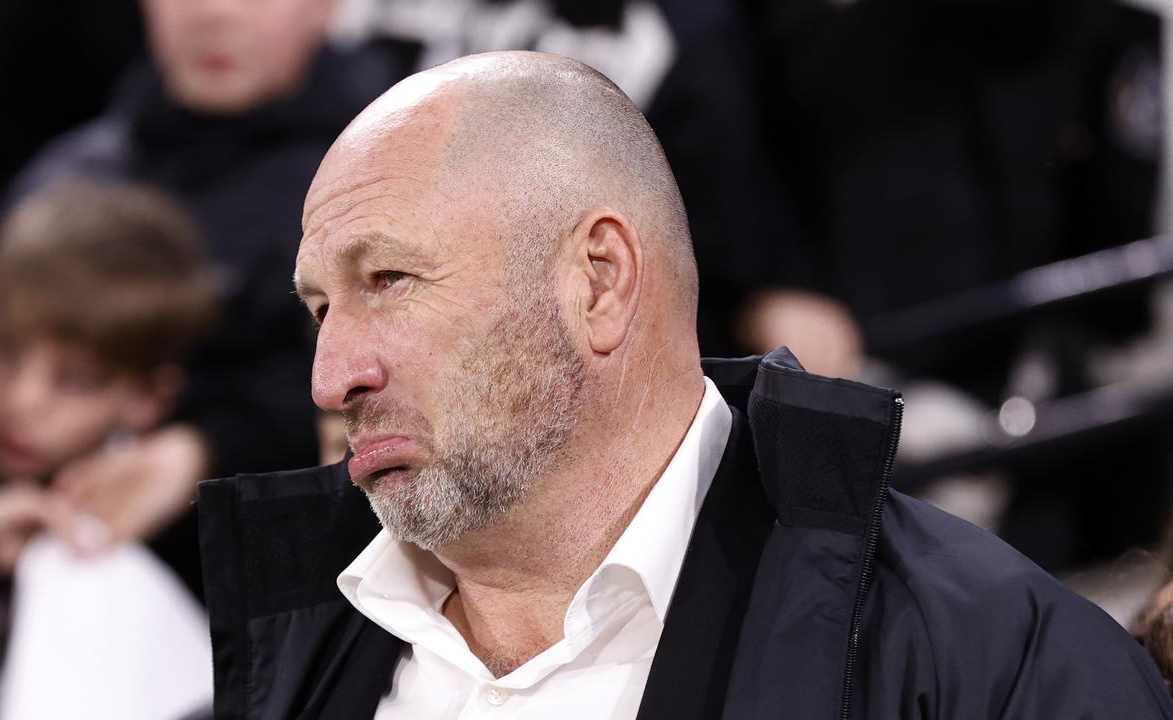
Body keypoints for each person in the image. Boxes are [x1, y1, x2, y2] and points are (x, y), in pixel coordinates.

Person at [195, 52, 1173, 718]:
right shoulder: (283, 655)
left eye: (389, 281)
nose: (331, 377)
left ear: (598, 281)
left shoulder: (994, 666)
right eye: (319, 308)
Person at [4, 0, 405, 563]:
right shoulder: (66, 176)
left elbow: (400, 388)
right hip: (58, 559)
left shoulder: (393, 185)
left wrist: (203, 452)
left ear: (326, 7)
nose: (214, 13)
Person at [0, 180, 219, 718]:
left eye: (76, 381)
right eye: (4, 349)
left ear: (147, 398)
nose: (21, 400)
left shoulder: (175, 523)